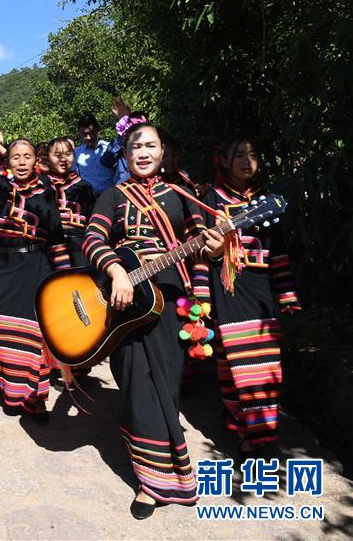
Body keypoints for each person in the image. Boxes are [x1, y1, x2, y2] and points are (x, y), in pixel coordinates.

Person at [82, 121, 225, 519]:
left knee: (164, 386)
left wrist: (213, 248)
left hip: (170, 302)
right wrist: (115, 271)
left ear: (163, 152)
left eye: (151, 146)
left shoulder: (183, 194)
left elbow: (202, 243)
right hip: (125, 305)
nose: (143, 153)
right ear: (125, 155)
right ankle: (148, 483)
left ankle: (175, 476)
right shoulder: (112, 195)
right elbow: (93, 239)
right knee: (134, 387)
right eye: (135, 147)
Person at [0, 88, 69, 419]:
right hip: (3, 268)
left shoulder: (47, 193)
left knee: (36, 335)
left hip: (36, 267)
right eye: (16, 157)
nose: (21, 162)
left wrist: (62, 281)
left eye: (28, 157)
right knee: (5, 333)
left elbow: (58, 240)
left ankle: (35, 399)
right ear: (7, 160)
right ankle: (10, 391)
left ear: (37, 161)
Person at [202, 137, 300, 457]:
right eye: (239, 155)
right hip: (227, 289)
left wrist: (286, 294)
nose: (247, 161)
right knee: (231, 367)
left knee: (264, 366)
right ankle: (243, 432)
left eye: (253, 155)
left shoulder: (267, 202)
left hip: (260, 292)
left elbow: (279, 251)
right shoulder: (210, 199)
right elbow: (201, 254)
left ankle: (263, 436)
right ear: (225, 162)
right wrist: (202, 295)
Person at [46, 136, 95, 267]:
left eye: (68, 154)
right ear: (47, 159)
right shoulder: (41, 186)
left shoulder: (84, 186)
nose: (63, 159)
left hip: (79, 243)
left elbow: (91, 218)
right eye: (57, 155)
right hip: (50, 243)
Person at [73, 114, 115, 195]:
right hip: (87, 199)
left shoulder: (110, 150)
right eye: (84, 134)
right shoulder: (76, 153)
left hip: (108, 197)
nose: (88, 137)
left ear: (98, 129)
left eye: (91, 133)